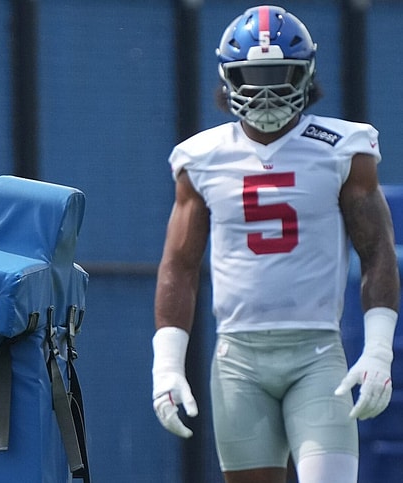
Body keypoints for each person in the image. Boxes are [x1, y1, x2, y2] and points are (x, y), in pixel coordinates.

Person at [150, 5, 399, 483]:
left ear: (305, 74)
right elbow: (179, 265)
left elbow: (377, 252)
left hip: (316, 354)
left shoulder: (344, 147)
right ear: (227, 78)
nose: (264, 90)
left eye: (278, 74)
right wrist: (166, 365)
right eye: (251, 75)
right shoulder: (200, 157)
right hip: (237, 361)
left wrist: (379, 351)